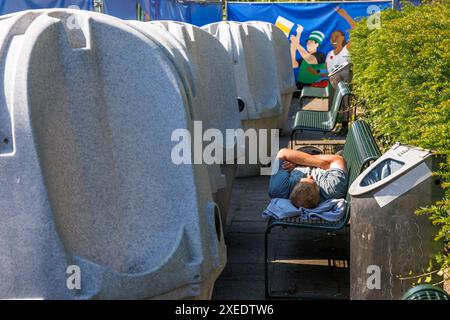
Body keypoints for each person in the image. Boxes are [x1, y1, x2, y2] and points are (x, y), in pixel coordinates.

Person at [268, 148, 348, 209]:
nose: (310, 176)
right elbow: (338, 159)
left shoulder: (278, 190)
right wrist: (322, 164)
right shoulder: (332, 189)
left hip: (302, 154)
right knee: (339, 154)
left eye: (301, 180)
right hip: (316, 156)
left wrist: (297, 163)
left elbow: (283, 153)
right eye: (313, 182)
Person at [290, 26, 327, 90]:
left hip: (313, 90)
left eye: (311, 42)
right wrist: (293, 48)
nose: (308, 44)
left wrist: (297, 44)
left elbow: (310, 60)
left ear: (317, 44)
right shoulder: (304, 57)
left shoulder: (321, 55)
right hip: (299, 88)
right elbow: (294, 65)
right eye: (308, 42)